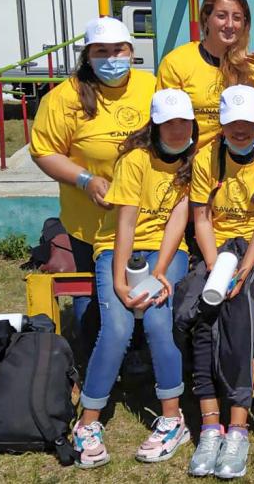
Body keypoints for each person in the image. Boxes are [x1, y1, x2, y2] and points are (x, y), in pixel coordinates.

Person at [71, 89, 197, 468]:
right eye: (169, 123)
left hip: (166, 250)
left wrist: (160, 272)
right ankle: (88, 421)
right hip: (117, 246)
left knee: (160, 321)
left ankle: (173, 419)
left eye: (184, 122)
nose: (177, 130)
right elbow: (125, 221)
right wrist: (121, 280)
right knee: (117, 327)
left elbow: (179, 218)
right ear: (155, 125)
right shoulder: (135, 159)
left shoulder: (194, 158)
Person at [187, 85, 254, 478]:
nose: (241, 130)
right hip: (218, 248)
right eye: (233, 124)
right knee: (202, 311)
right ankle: (210, 424)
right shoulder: (206, 158)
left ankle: (240, 424)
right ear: (223, 124)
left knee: (238, 309)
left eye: (249, 123)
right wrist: (216, 268)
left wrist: (241, 272)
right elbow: (202, 218)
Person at [30, 17, 155, 334]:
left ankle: (138, 349)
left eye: (119, 50)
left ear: (131, 51)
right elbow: (44, 151)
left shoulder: (152, 87)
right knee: (91, 297)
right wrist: (85, 180)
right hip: (90, 222)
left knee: (142, 285)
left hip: (145, 218)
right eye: (102, 51)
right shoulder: (62, 98)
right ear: (87, 55)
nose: (112, 58)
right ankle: (93, 348)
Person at [156, 0, 254, 149]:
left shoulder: (253, 69)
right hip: (189, 163)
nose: (229, 24)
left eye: (236, 18)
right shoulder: (177, 62)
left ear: (244, 24)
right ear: (206, 19)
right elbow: (166, 122)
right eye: (221, 16)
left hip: (236, 165)